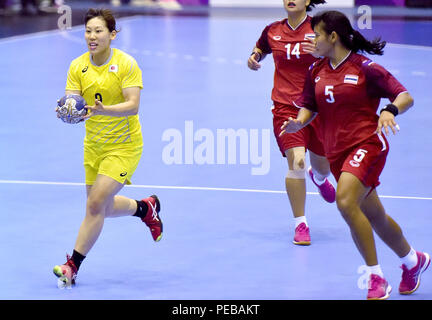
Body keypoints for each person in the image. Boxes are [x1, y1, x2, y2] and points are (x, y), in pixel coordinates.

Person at [280, 10, 429, 300]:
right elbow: (310, 106)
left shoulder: (365, 68)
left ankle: (376, 278)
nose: (311, 40)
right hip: (337, 154)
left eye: (316, 35)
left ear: (332, 37)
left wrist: (389, 110)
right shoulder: (316, 71)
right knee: (375, 216)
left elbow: (405, 96)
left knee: (345, 200)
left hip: (368, 145)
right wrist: (300, 122)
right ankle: (413, 261)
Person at [53, 8, 163, 288]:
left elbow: (133, 105)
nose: (92, 36)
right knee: (99, 207)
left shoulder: (126, 64)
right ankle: (144, 208)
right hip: (93, 146)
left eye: (98, 31)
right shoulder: (78, 66)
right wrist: (68, 111)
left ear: (112, 35)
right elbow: (73, 100)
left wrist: (104, 110)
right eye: (88, 31)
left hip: (124, 146)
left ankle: (72, 265)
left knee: (93, 204)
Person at [247, 0, 335, 246]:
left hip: (317, 108)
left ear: (308, 1)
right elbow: (260, 48)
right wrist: (253, 58)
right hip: (285, 108)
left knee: (323, 166)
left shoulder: (320, 30)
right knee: (296, 161)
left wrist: (320, 51)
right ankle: (301, 223)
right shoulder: (273, 30)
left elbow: (338, 57)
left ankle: (318, 177)